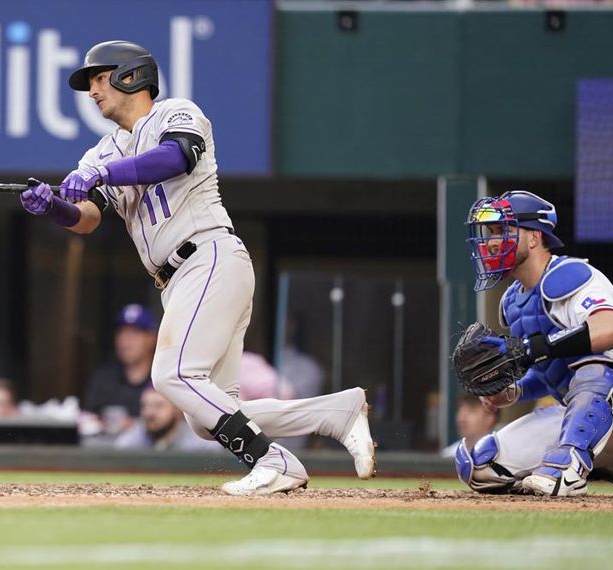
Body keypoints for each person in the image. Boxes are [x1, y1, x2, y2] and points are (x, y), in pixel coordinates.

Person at [20, 40, 375, 495]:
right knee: (208, 418)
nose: (92, 91)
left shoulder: (176, 112)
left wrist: (104, 176)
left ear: (132, 75)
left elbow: (177, 156)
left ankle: (274, 461)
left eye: (99, 78)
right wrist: (53, 207)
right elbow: (87, 218)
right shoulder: (100, 152)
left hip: (207, 256)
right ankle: (335, 412)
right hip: (179, 280)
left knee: (173, 374)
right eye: (89, 83)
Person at [456, 190, 613, 497]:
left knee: (592, 368)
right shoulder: (513, 302)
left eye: (503, 230)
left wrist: (532, 349)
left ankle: (570, 469)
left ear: (534, 238)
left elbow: (612, 329)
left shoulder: (569, 274)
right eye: (490, 233)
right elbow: (549, 370)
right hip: (594, 412)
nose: (492, 241)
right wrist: (515, 391)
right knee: (482, 466)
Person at [82, 304, 157, 434]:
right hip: (105, 449)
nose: (125, 339)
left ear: (151, 338)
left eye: (134, 332)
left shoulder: (162, 379)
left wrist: (136, 426)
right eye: (122, 331)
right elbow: (87, 418)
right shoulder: (104, 378)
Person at [114, 387, 220, 452]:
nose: (149, 413)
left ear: (178, 410)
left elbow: (215, 452)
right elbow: (120, 448)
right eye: (145, 406)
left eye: (158, 406)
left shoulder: (198, 441)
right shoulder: (138, 434)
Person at [440, 394, 498, 458]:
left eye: (471, 411)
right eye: (459, 410)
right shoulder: (448, 456)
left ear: (489, 417)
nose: (462, 418)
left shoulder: (503, 456)